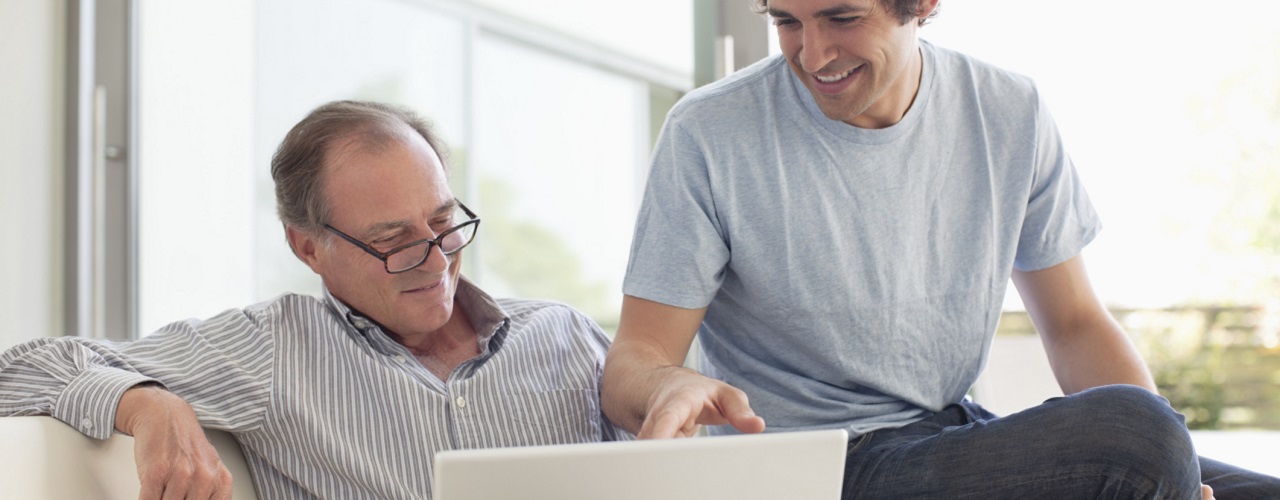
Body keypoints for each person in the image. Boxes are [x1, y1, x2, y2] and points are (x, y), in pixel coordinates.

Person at [600, 0, 1280, 498]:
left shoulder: (1008, 111)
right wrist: (669, 381)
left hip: (951, 434)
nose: (811, 54)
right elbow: (635, 360)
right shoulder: (710, 132)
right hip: (818, 464)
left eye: (840, 18)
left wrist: (1176, 475)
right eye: (786, 22)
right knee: (1135, 438)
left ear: (921, 6)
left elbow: (1074, 324)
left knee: (1189, 458)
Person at [0, 100, 627, 499]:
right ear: (308, 249)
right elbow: (20, 368)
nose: (436, 260)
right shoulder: (273, 349)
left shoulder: (564, 334)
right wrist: (145, 402)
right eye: (393, 241)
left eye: (443, 223)